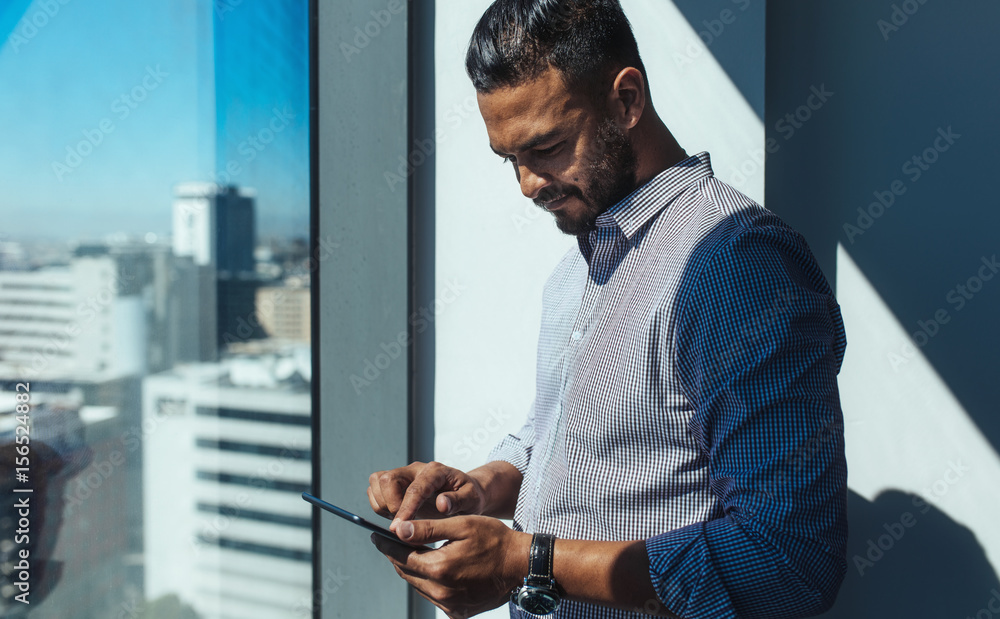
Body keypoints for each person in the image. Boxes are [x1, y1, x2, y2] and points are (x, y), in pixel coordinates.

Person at [368, 1, 848, 617]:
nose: (527, 185)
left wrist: (526, 562)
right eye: (508, 159)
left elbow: (789, 559)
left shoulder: (735, 263)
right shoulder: (577, 269)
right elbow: (562, 444)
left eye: (546, 146)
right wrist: (477, 491)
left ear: (626, 101)